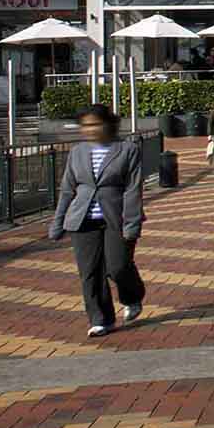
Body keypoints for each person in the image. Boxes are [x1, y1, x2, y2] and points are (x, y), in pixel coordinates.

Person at [48, 104, 146, 338]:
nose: (90, 130)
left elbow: (133, 190)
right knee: (90, 273)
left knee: (118, 266)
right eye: (85, 125)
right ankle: (100, 318)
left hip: (116, 217)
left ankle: (132, 297)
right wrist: (58, 222)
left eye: (95, 124)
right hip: (82, 220)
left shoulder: (127, 149)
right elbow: (67, 189)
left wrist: (131, 224)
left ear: (109, 124)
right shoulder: (77, 152)